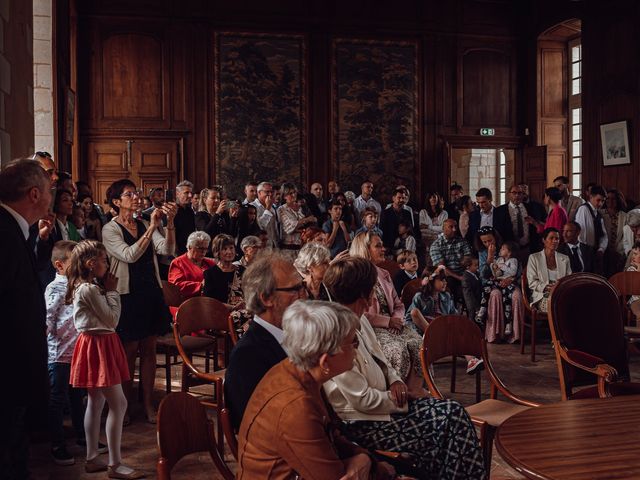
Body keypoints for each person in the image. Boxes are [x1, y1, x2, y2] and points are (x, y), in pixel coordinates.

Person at [323, 258, 486, 480]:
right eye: (372, 286)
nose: (375, 291)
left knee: (452, 417)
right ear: (364, 293)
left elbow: (382, 360)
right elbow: (360, 400)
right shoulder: (336, 332)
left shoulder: (360, 318)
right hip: (362, 421)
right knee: (450, 418)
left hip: (387, 406)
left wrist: (396, 381)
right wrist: (403, 400)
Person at [237, 300, 376, 480]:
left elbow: (332, 434)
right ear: (325, 361)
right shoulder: (295, 407)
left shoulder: (301, 372)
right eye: (353, 343)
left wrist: (367, 459)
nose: (357, 349)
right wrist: (365, 461)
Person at [66, 240, 144, 479]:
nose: (107, 264)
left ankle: (92, 458)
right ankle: (115, 464)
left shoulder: (87, 286)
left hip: (97, 343)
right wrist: (112, 291)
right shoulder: (89, 289)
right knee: (118, 404)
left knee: (96, 401)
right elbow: (112, 320)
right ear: (91, 264)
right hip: (99, 343)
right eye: (104, 260)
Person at [102, 179, 176, 424]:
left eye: (136, 193)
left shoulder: (145, 223)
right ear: (116, 202)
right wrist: (150, 229)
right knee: (129, 352)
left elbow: (167, 249)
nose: (136, 197)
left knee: (150, 351)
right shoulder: (110, 229)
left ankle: (147, 405)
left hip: (150, 292)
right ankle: (124, 406)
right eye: (129, 194)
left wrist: (170, 223)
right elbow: (129, 255)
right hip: (127, 294)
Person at [0, 159, 52, 479]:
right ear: (34, 194)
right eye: (49, 189)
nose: (52, 195)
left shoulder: (17, 230)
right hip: (7, 374)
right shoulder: (3, 233)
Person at [224, 254, 307, 430]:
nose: (304, 296)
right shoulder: (248, 355)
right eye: (295, 289)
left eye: (303, 287)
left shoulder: (296, 337)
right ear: (267, 299)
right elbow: (255, 425)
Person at [349, 232, 424, 392]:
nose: (383, 249)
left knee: (419, 344)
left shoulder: (384, 274)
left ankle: (413, 393)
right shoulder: (353, 275)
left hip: (394, 325)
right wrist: (387, 322)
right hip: (370, 329)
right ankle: (394, 393)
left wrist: (396, 320)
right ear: (365, 249)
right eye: (378, 246)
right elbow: (356, 312)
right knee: (398, 350)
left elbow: (398, 304)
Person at [45, 240, 95, 466]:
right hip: (59, 353)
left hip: (78, 351)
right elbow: (48, 318)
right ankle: (57, 444)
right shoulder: (54, 288)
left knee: (78, 396)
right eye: (74, 262)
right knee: (57, 399)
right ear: (59, 265)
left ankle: (83, 437)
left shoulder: (80, 285)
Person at [475, 226, 525, 343]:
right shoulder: (482, 252)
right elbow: (483, 275)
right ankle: (495, 334)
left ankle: (515, 335)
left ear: (495, 238)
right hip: (493, 283)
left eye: (490, 240)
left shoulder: (507, 247)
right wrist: (489, 258)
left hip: (511, 281)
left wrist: (511, 280)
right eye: (484, 242)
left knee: (517, 296)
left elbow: (518, 269)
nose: (488, 243)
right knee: (495, 295)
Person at [526, 227, 571, 313]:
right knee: (557, 305)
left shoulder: (565, 259)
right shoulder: (534, 258)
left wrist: (558, 289)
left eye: (557, 238)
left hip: (561, 294)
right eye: (551, 238)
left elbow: (568, 280)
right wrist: (547, 287)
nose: (555, 241)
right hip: (542, 295)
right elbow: (532, 282)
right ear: (544, 240)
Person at [429, 219, 472, 301]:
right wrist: (460, 277)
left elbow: (468, 259)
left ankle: (475, 310)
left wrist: (465, 273)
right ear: (443, 229)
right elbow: (442, 268)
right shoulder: (436, 245)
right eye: (451, 227)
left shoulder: (462, 241)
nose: (454, 229)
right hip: (447, 276)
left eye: (455, 227)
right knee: (450, 283)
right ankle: (453, 309)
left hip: (463, 272)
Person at [168, 231, 215, 299]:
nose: (203, 252)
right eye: (200, 248)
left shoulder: (210, 263)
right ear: (190, 247)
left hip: (207, 301)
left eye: (206, 248)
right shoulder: (178, 262)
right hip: (186, 303)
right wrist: (201, 285)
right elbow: (176, 286)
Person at [203, 234, 245, 308]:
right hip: (220, 312)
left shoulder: (243, 270)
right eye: (225, 249)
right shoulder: (210, 273)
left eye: (231, 248)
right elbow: (209, 301)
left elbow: (250, 293)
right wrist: (232, 307)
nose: (229, 252)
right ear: (217, 252)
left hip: (244, 310)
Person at [278, 183, 317, 260]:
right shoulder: (281, 209)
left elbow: (314, 220)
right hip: (288, 250)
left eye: (294, 192)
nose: (293, 195)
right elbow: (289, 228)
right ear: (284, 196)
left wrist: (301, 225)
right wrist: (307, 220)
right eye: (290, 193)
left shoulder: (300, 208)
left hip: (302, 248)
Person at [575, 185, 608, 274]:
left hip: (595, 251)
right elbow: (582, 236)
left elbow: (603, 235)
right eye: (598, 200)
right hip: (585, 251)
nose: (600, 203)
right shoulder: (584, 209)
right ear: (591, 197)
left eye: (603, 201)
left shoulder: (598, 214)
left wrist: (601, 249)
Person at [602, 188, 628, 276]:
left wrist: (618, 251)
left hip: (619, 252)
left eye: (613, 199)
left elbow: (625, 236)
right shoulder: (600, 214)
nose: (610, 201)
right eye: (608, 198)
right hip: (603, 252)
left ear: (618, 200)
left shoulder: (624, 216)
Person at [380, 187, 414, 254]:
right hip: (389, 246)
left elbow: (411, 229)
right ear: (393, 198)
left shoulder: (407, 213)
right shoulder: (385, 213)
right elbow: (382, 230)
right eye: (399, 198)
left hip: (405, 245)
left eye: (403, 198)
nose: (401, 200)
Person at [419, 192, 448, 259]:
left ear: (438, 198)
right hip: (426, 239)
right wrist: (436, 231)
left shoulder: (444, 213)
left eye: (434, 197)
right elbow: (422, 229)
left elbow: (443, 228)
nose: (432, 199)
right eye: (430, 197)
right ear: (428, 200)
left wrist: (429, 227)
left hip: (440, 239)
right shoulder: (423, 212)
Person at [252, 181, 279, 249]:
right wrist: (268, 208)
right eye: (267, 192)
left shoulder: (273, 207)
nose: (270, 194)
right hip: (261, 246)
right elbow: (261, 226)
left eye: (271, 192)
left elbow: (275, 228)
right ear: (259, 193)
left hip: (274, 245)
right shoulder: (252, 207)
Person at [173, 180, 195, 256]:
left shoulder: (190, 211)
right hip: (175, 253)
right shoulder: (172, 210)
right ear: (177, 194)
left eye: (191, 193)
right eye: (186, 193)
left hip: (189, 250)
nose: (190, 196)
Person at [461, 256, 482, 321]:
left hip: (478, 300)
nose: (477, 267)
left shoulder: (475, 274)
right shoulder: (466, 278)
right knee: (472, 319)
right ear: (468, 267)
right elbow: (468, 294)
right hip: (472, 305)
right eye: (475, 265)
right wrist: (475, 307)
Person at [626, 242, 640, 324]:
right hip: (635, 299)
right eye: (633, 254)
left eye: (636, 254)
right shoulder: (631, 269)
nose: (633, 256)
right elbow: (635, 288)